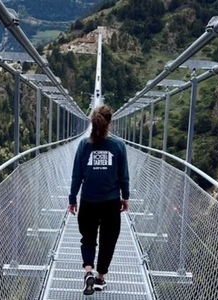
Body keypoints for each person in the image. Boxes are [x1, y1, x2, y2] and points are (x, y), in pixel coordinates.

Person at [68, 104, 130, 295]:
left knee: (88, 238)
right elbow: (123, 176)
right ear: (110, 123)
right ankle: (100, 278)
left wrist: (72, 199)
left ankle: (88, 271)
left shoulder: (84, 145)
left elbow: (77, 175)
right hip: (111, 202)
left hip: (88, 201)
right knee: (108, 240)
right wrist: (125, 197)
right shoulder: (118, 145)